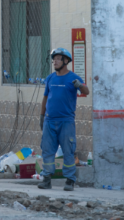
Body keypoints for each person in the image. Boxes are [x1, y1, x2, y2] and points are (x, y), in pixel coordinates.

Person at [38, 48, 90, 191]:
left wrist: (79, 85)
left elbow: (86, 91)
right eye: (54, 59)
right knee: (47, 150)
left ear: (66, 61)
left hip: (66, 121)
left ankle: (70, 181)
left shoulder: (73, 78)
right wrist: (42, 116)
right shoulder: (50, 78)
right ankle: (47, 179)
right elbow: (45, 98)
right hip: (50, 121)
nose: (55, 61)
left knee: (68, 151)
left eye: (58, 58)